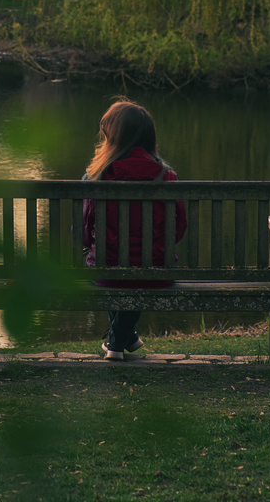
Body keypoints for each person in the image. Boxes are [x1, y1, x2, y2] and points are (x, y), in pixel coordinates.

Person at [81, 99, 189, 360]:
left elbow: (85, 228)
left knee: (106, 267)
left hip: (106, 270)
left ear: (113, 138)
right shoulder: (167, 177)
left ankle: (116, 345)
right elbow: (179, 228)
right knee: (137, 272)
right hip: (156, 271)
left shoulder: (97, 177)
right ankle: (124, 339)